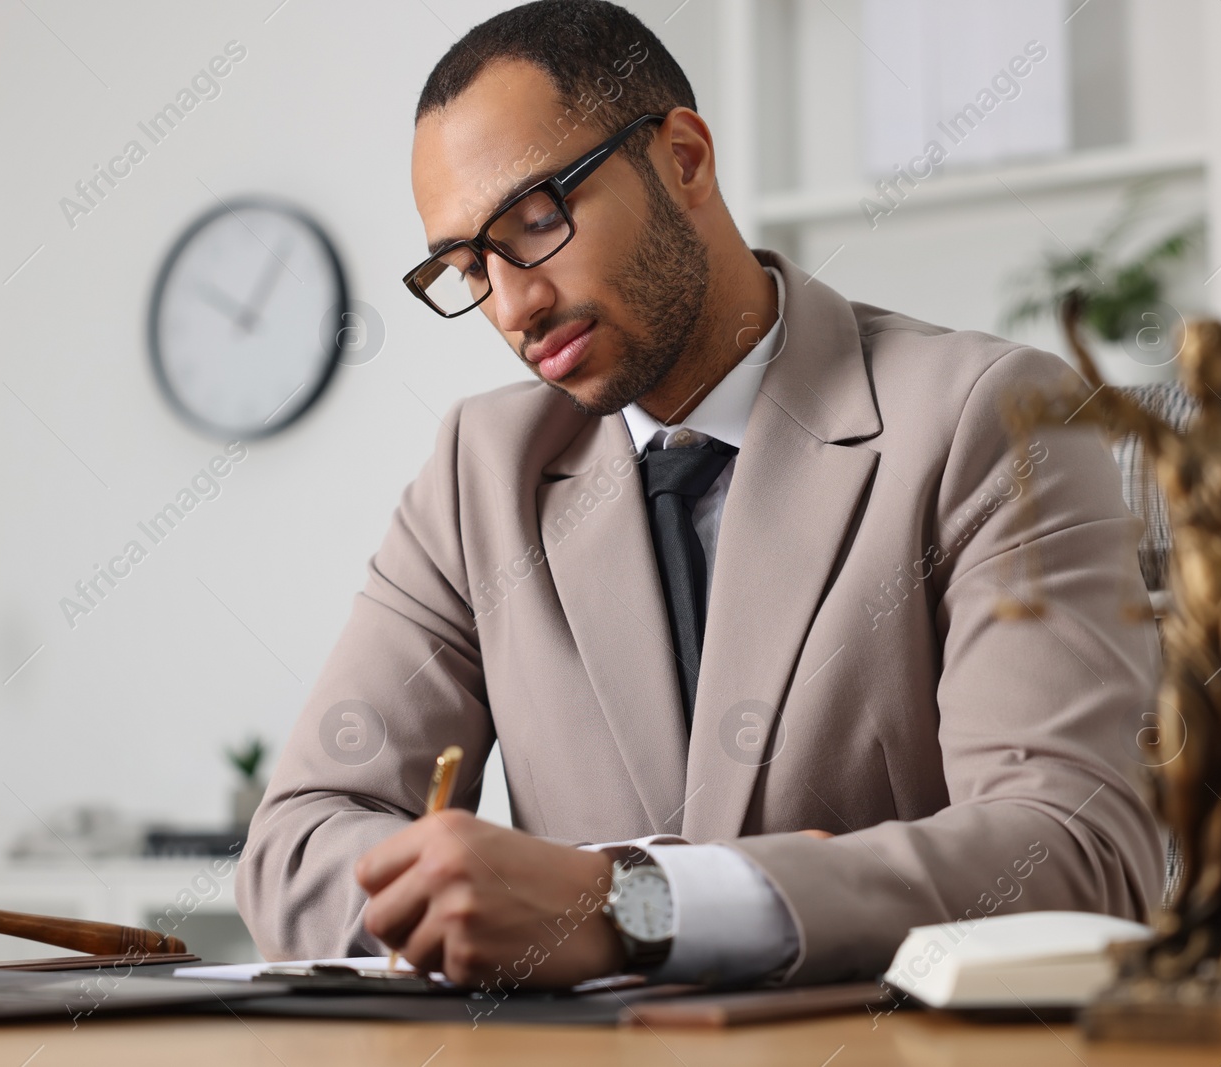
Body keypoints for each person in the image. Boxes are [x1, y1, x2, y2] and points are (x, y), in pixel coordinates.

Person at [236, 0, 1163, 991]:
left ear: (683, 158)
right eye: (468, 267)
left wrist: (634, 903)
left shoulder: (995, 418)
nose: (511, 307)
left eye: (536, 222)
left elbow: (1075, 852)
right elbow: (292, 846)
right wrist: (489, 893)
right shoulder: (480, 469)